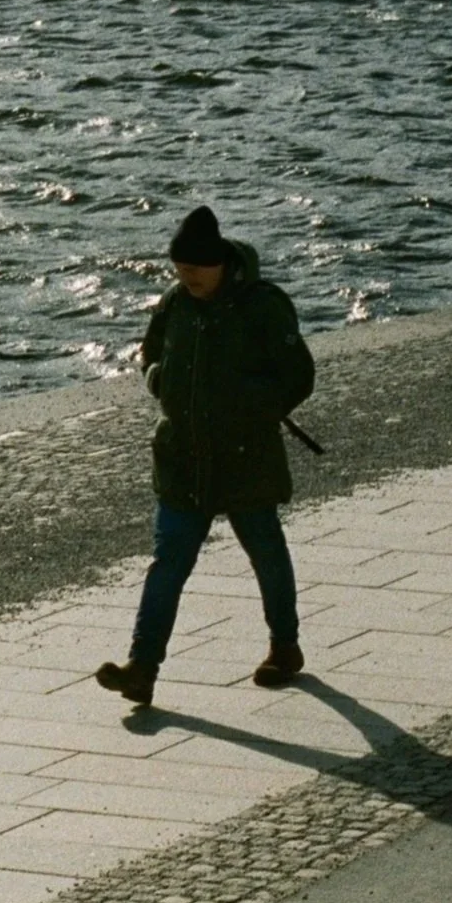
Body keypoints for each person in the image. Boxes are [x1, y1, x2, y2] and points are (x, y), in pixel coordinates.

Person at [96, 205, 316, 707]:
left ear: (220, 263)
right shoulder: (176, 302)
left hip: (246, 458)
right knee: (168, 562)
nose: (186, 279)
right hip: (183, 458)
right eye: (179, 272)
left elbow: (298, 375)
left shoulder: (263, 306)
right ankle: (142, 667)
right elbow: (150, 353)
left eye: (194, 271)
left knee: (266, 552)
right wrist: (158, 380)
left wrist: (251, 407)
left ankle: (285, 647)